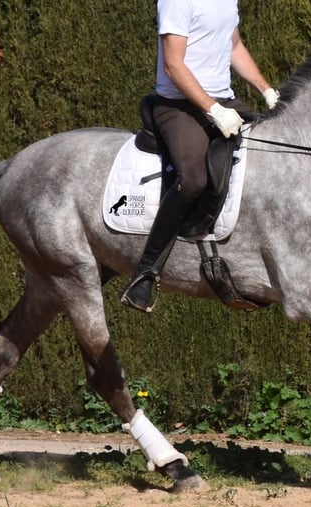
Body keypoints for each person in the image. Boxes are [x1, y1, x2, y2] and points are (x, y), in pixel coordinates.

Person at [120, 0, 280, 313]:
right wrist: (213, 109)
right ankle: (146, 272)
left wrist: (266, 90)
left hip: (223, 101)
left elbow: (233, 45)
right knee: (193, 179)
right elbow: (173, 65)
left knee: (271, 148)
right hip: (177, 106)